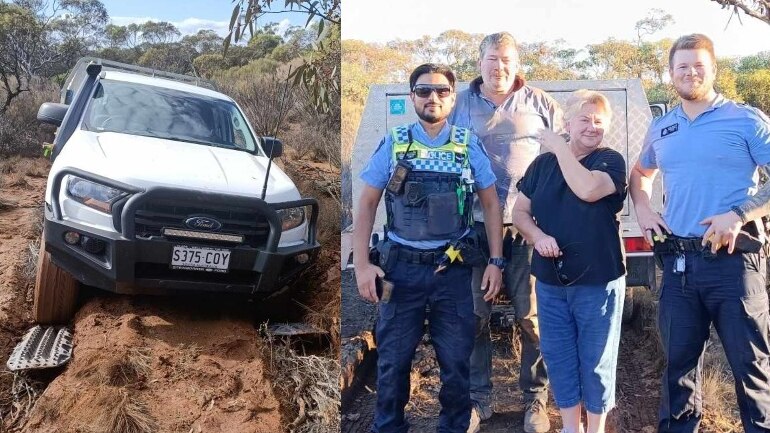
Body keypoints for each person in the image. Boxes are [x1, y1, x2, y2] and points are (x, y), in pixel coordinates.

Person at [629, 33, 770, 433]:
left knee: (751, 368)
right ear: (671, 73)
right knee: (677, 369)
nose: (690, 73)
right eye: (682, 67)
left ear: (713, 70)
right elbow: (640, 174)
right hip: (678, 266)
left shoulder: (746, 120)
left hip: (735, 264)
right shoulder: (663, 127)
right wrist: (642, 207)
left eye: (698, 65)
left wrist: (739, 213)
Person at [353, 63, 505, 433]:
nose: (432, 97)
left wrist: (496, 261)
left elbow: (490, 204)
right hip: (400, 271)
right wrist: (361, 265)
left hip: (450, 273)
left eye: (440, 91)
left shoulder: (467, 144)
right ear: (412, 97)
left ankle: (453, 426)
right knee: (392, 362)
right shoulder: (395, 142)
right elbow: (368, 203)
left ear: (453, 98)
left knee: (456, 365)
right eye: (423, 91)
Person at [448, 31, 562, 433]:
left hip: (529, 227)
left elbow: (560, 161)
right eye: (492, 59)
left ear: (517, 64)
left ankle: (535, 400)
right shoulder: (457, 103)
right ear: (479, 62)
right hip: (473, 228)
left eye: (507, 60)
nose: (499, 67)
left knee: (532, 317)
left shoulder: (541, 103)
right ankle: (479, 400)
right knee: (474, 317)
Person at [513, 90, 626, 433]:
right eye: (584, 119)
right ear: (567, 122)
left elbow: (588, 190)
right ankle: (569, 428)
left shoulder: (609, 160)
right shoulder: (541, 166)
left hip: (597, 281)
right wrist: (538, 237)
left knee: (595, 361)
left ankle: (594, 428)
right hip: (550, 282)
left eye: (599, 121)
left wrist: (560, 146)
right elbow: (520, 212)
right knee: (559, 357)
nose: (593, 127)